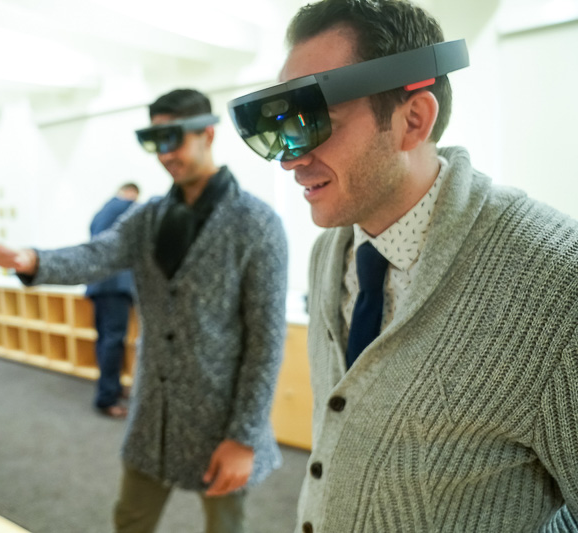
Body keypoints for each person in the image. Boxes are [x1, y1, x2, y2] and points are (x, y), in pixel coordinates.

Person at [227, 1, 578, 532]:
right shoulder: (331, 248)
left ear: (413, 120)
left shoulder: (552, 278)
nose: (290, 158)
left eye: (315, 123)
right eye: (281, 129)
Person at [0, 88, 288, 533]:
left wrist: (244, 437)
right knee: (130, 520)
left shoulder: (256, 223)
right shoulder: (147, 217)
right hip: (154, 413)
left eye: (173, 140)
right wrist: (24, 259)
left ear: (207, 133)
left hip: (221, 415)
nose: (164, 155)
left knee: (225, 525)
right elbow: (97, 255)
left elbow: (266, 341)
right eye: (154, 142)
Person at [87, 182, 140, 419]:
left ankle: (113, 388)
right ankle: (106, 398)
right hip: (115, 286)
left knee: (105, 340)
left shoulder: (102, 211)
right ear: (132, 193)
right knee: (113, 341)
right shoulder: (127, 206)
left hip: (97, 285)